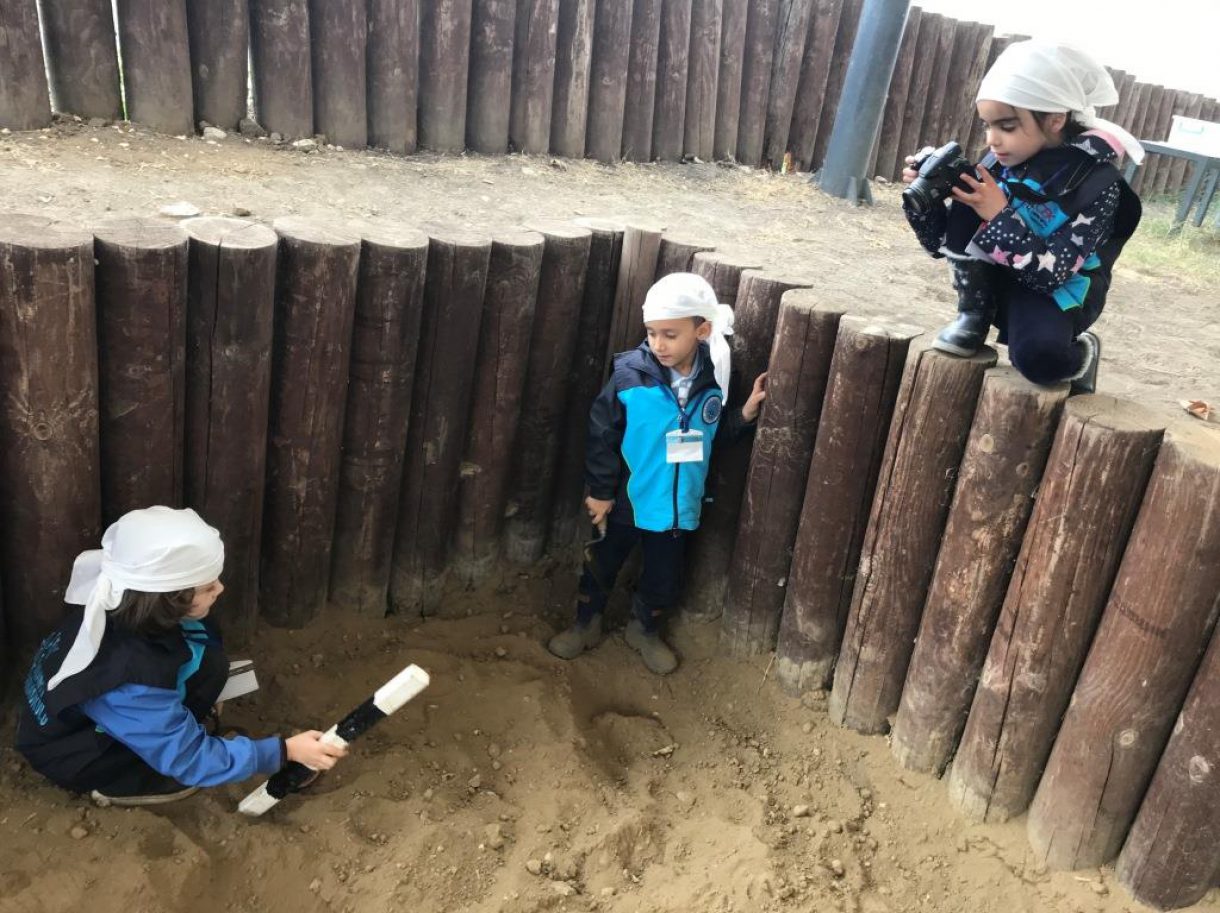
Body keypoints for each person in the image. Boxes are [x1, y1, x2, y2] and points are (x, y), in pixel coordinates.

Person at [16, 506, 346, 806]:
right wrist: (283, 751)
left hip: (109, 715)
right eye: (207, 587)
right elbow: (189, 759)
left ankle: (170, 730)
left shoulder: (122, 601)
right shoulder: (128, 679)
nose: (220, 589)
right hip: (84, 756)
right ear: (170, 599)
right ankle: (124, 784)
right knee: (178, 761)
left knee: (211, 665)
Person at [547, 273, 767, 675]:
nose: (658, 344)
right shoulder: (629, 376)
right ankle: (585, 623)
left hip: (677, 507)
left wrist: (744, 415)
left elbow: (710, 435)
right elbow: (601, 434)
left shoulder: (716, 378)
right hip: (626, 501)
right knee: (601, 563)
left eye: (670, 334)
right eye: (651, 333)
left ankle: (644, 630)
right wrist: (600, 491)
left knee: (664, 576)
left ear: (702, 331)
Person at [901, 41, 1143, 393]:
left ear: (1055, 119)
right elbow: (940, 246)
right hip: (995, 279)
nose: (992, 140)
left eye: (1007, 126)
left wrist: (997, 214)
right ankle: (973, 316)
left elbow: (1053, 274)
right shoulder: (999, 164)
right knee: (970, 192)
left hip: (1056, 291)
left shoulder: (1098, 184)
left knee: (1038, 360)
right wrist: (928, 200)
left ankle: (1082, 351)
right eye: (987, 125)